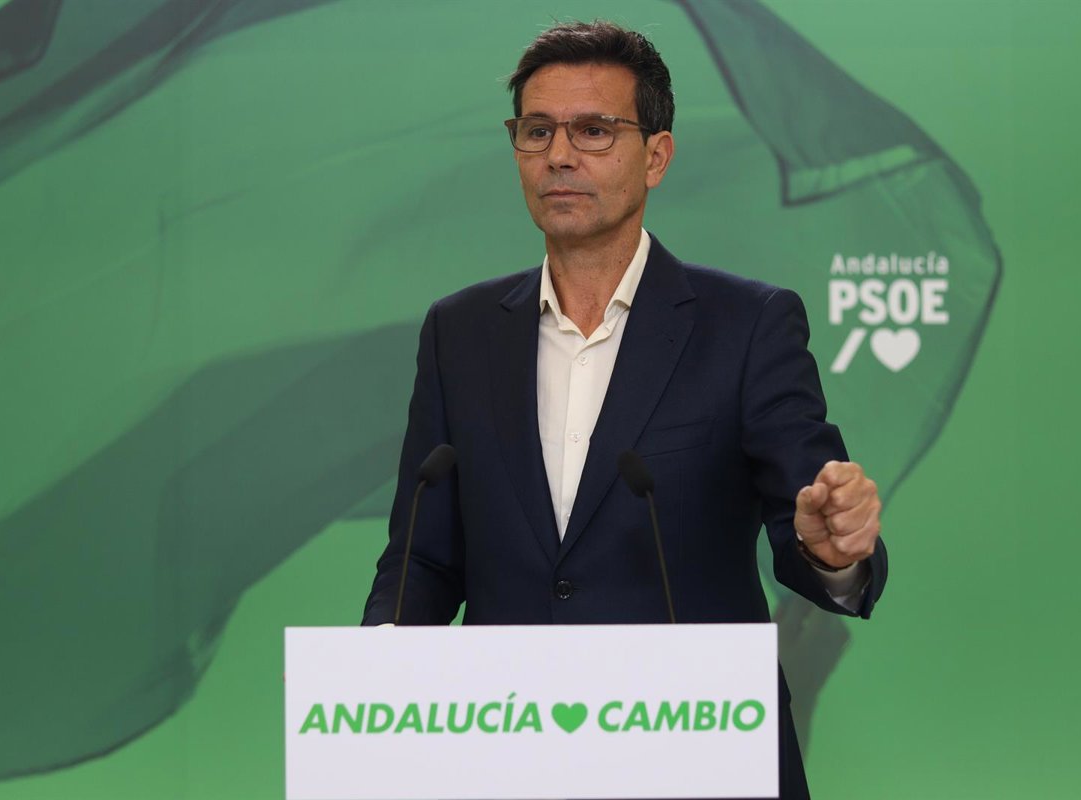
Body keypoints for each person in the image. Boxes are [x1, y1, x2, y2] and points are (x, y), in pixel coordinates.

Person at [362, 20, 886, 798]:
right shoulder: (459, 333)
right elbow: (425, 558)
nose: (559, 154)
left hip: (701, 756)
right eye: (537, 130)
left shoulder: (746, 326)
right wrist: (370, 673)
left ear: (657, 156)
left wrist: (831, 549)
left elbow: (810, 531)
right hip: (511, 754)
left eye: (594, 130)